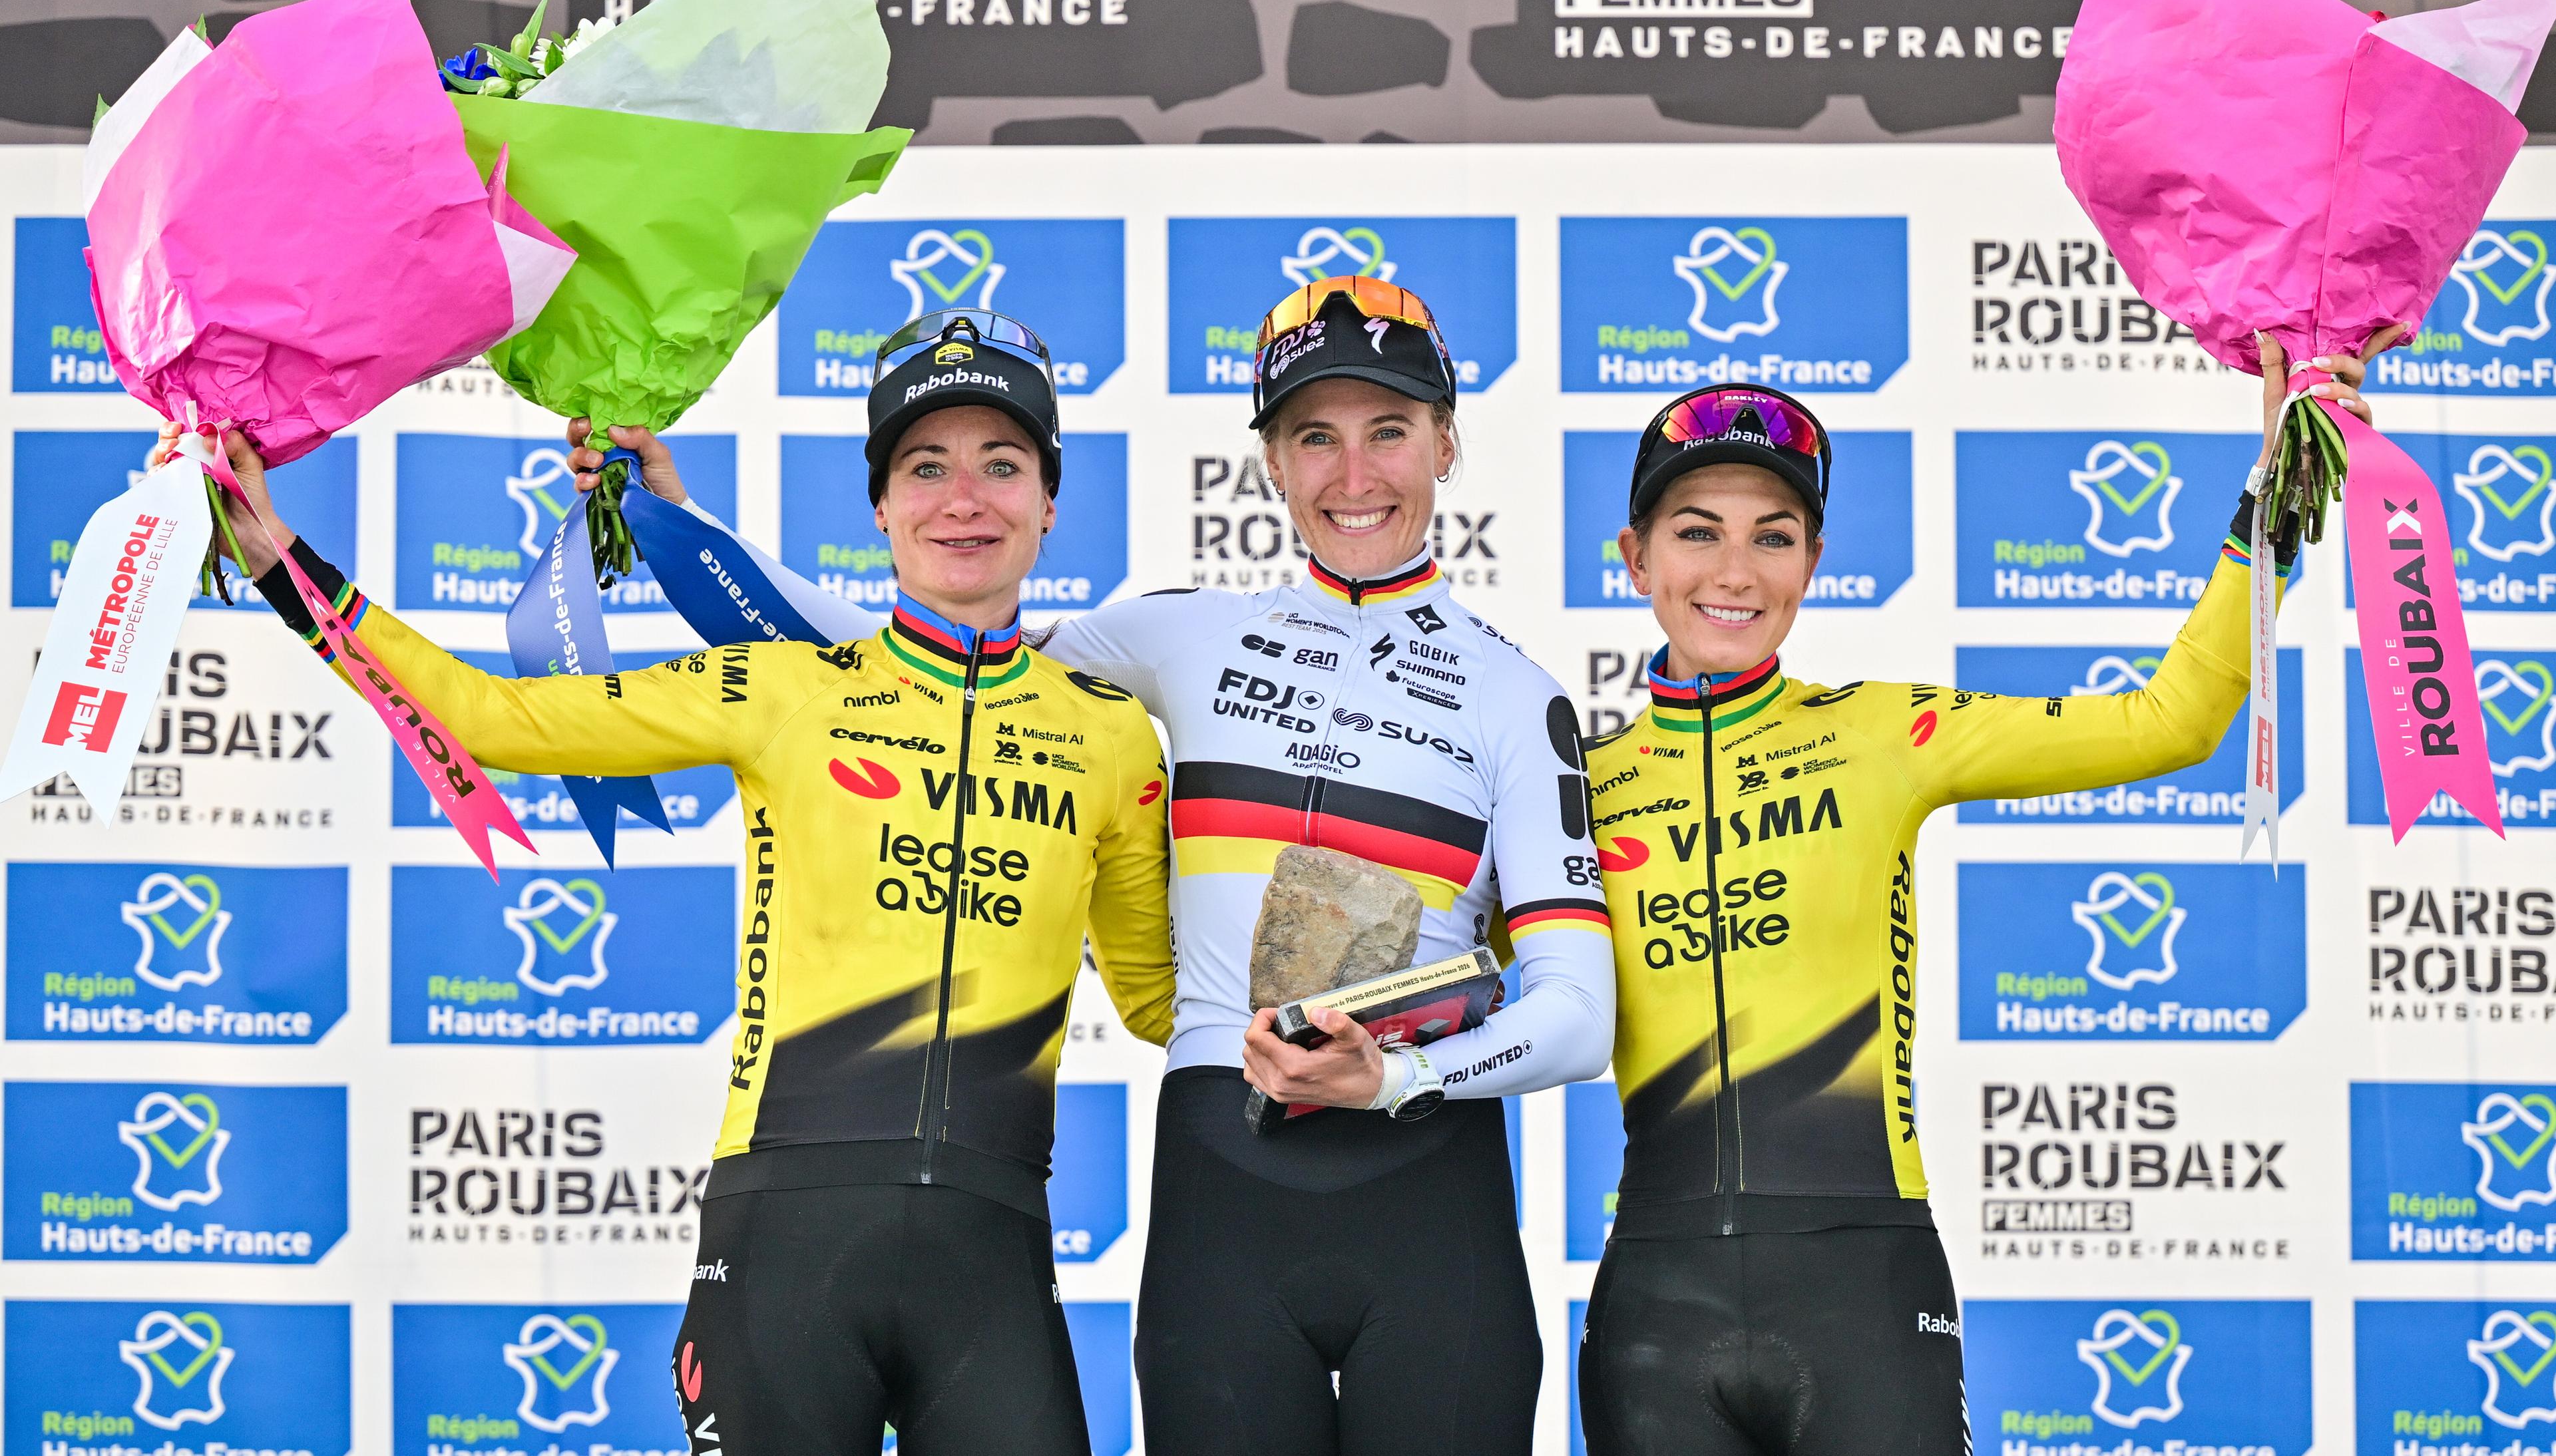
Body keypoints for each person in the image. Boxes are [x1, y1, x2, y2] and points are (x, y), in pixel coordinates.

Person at [572, 277, 1616, 1455]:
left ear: (1447, 445)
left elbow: (1578, 1015)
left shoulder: (1519, 699)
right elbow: (920, 663)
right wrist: (679, 532)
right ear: (1270, 462)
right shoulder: (1180, 636)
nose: (1355, 473)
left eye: (1390, 431)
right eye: (1315, 437)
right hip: (1229, 1198)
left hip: (1436, 1208)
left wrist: (1394, 1082)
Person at [172, 311, 1175, 1456]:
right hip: (785, 1236)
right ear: (881, 506)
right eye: (925, 466)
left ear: (1049, 504)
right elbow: (495, 718)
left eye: (1003, 466)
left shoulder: (1110, 737)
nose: (965, 498)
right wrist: (278, 564)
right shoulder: (783, 686)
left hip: (995, 1247)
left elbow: (1158, 1001)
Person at [1576, 333, 2390, 1456]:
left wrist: (2275, 483)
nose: (1734, 571)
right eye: (1695, 532)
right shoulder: (1583, 786)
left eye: (1774, 537)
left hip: (1864, 1282)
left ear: (1814, 560)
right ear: (1634, 556)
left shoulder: (1881, 731)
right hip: (1655, 1303)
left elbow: (2173, 720)